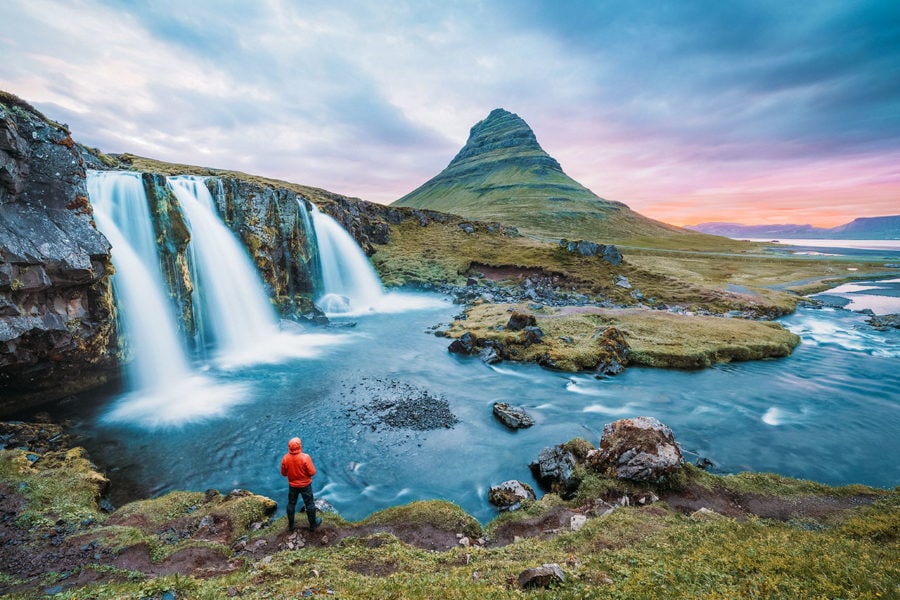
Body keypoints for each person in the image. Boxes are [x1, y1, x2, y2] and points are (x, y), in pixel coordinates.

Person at [280, 436, 322, 531]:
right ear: (300, 446)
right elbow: (312, 472)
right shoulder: (305, 457)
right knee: (309, 504)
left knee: (291, 504)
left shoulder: (285, 458)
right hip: (305, 485)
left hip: (293, 486)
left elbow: (283, 473)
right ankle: (313, 525)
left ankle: (291, 525)